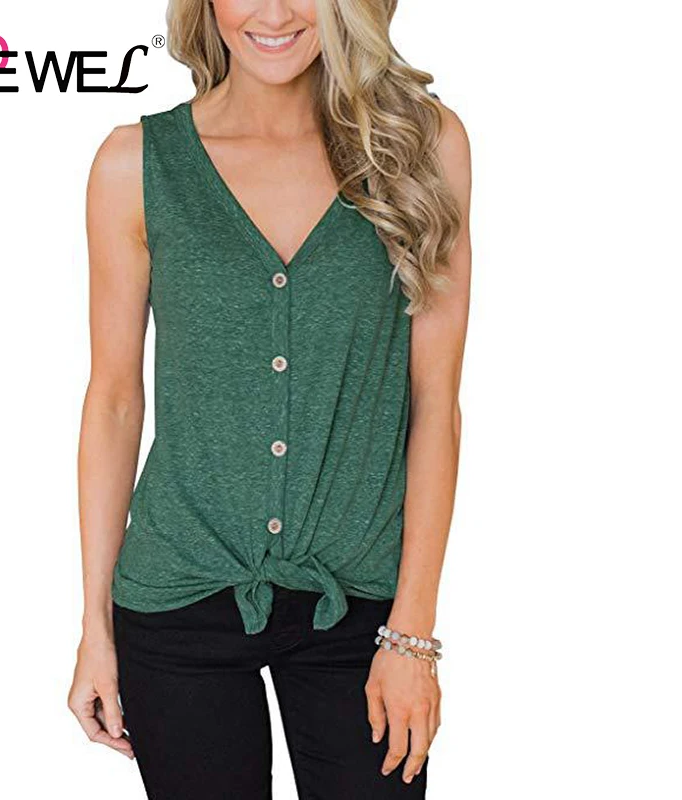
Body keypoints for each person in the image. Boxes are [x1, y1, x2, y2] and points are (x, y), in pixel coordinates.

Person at [68, 1, 471, 797]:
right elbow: (114, 400)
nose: (275, 12)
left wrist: (412, 634)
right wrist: (94, 629)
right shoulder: (135, 164)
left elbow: (437, 403)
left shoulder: (419, 147)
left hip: (361, 607)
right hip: (178, 597)